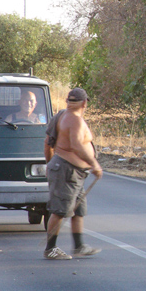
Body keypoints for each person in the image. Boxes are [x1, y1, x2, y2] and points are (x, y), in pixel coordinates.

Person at [42, 87, 103, 260]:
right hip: (66, 170)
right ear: (84, 103)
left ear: (68, 101)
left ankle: (79, 246)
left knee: (78, 211)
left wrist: (49, 164)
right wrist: (94, 164)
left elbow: (48, 143)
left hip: (73, 172)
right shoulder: (74, 120)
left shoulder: (62, 115)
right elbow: (76, 145)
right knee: (60, 210)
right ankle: (50, 249)